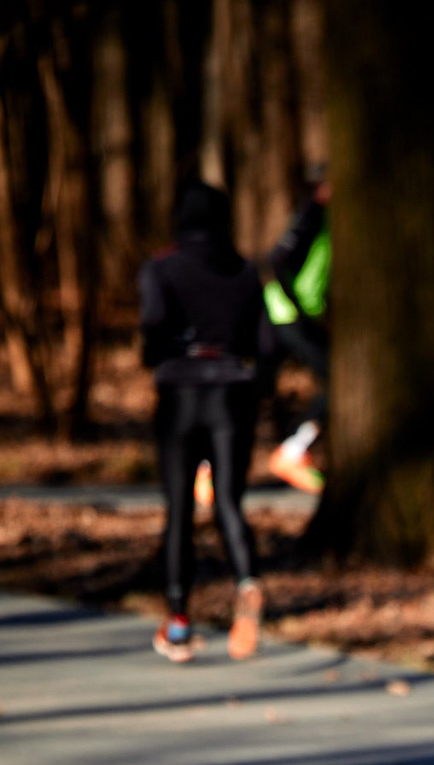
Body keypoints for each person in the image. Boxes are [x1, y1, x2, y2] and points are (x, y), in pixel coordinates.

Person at [138, 181, 271, 663]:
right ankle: (248, 581)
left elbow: (152, 329)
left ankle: (178, 623)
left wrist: (163, 354)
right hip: (232, 390)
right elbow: (265, 343)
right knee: (230, 503)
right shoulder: (245, 272)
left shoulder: (162, 268)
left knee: (179, 511)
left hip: (180, 392)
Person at [258, 169, 331, 496]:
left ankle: (207, 467)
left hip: (290, 314)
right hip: (287, 315)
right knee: (337, 380)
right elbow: (276, 262)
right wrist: (299, 307)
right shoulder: (311, 216)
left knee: (257, 386)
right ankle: (292, 452)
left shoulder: (325, 218)